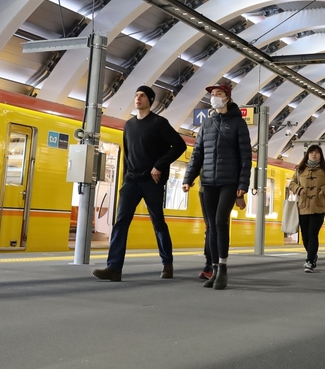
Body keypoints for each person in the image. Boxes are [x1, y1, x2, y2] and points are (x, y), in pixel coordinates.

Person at [93, 86, 187, 282]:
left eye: (142, 95)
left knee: (158, 223)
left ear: (150, 100)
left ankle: (167, 263)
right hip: (132, 181)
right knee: (120, 223)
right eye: (136, 95)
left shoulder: (159, 123)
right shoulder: (129, 125)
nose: (138, 98)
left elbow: (180, 145)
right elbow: (127, 155)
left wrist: (159, 165)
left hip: (152, 181)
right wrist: (126, 177)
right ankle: (114, 268)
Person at [182, 83, 252, 290]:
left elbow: (246, 157)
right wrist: (188, 178)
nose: (214, 97)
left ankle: (223, 268)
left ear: (227, 97)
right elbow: (197, 153)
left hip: (228, 182)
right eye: (212, 94)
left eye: (219, 94)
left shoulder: (238, 124)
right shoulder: (207, 124)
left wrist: (243, 184)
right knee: (211, 226)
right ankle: (213, 269)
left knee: (221, 222)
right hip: (208, 182)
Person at [288, 144, 325, 272]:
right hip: (303, 207)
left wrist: (324, 190)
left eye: (316, 152)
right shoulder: (300, 170)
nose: (314, 154)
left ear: (320, 155)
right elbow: (292, 184)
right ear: (308, 154)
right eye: (311, 152)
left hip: (318, 207)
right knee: (305, 235)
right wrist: (298, 189)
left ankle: (309, 261)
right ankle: (312, 255)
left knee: (312, 233)